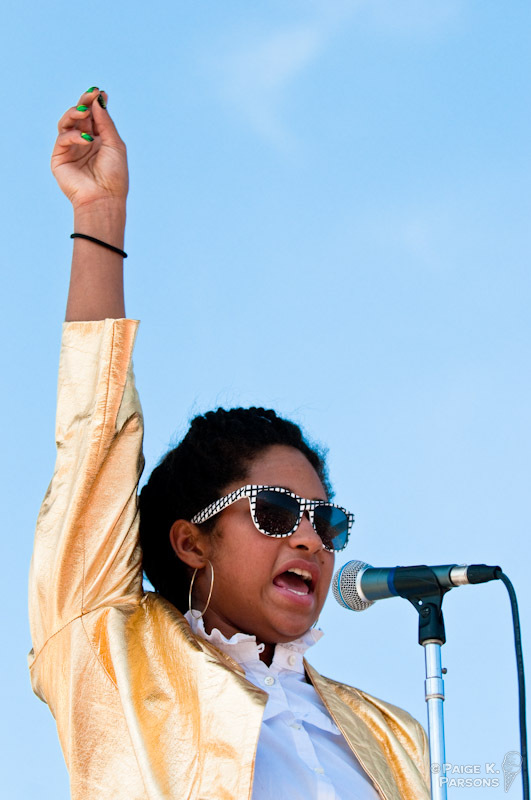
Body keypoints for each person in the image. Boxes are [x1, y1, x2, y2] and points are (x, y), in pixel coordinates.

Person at [29, 88, 431, 800]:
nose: (310, 540)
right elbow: (94, 441)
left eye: (327, 522)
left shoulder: (396, 736)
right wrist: (99, 213)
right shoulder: (114, 655)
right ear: (192, 541)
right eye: (275, 512)